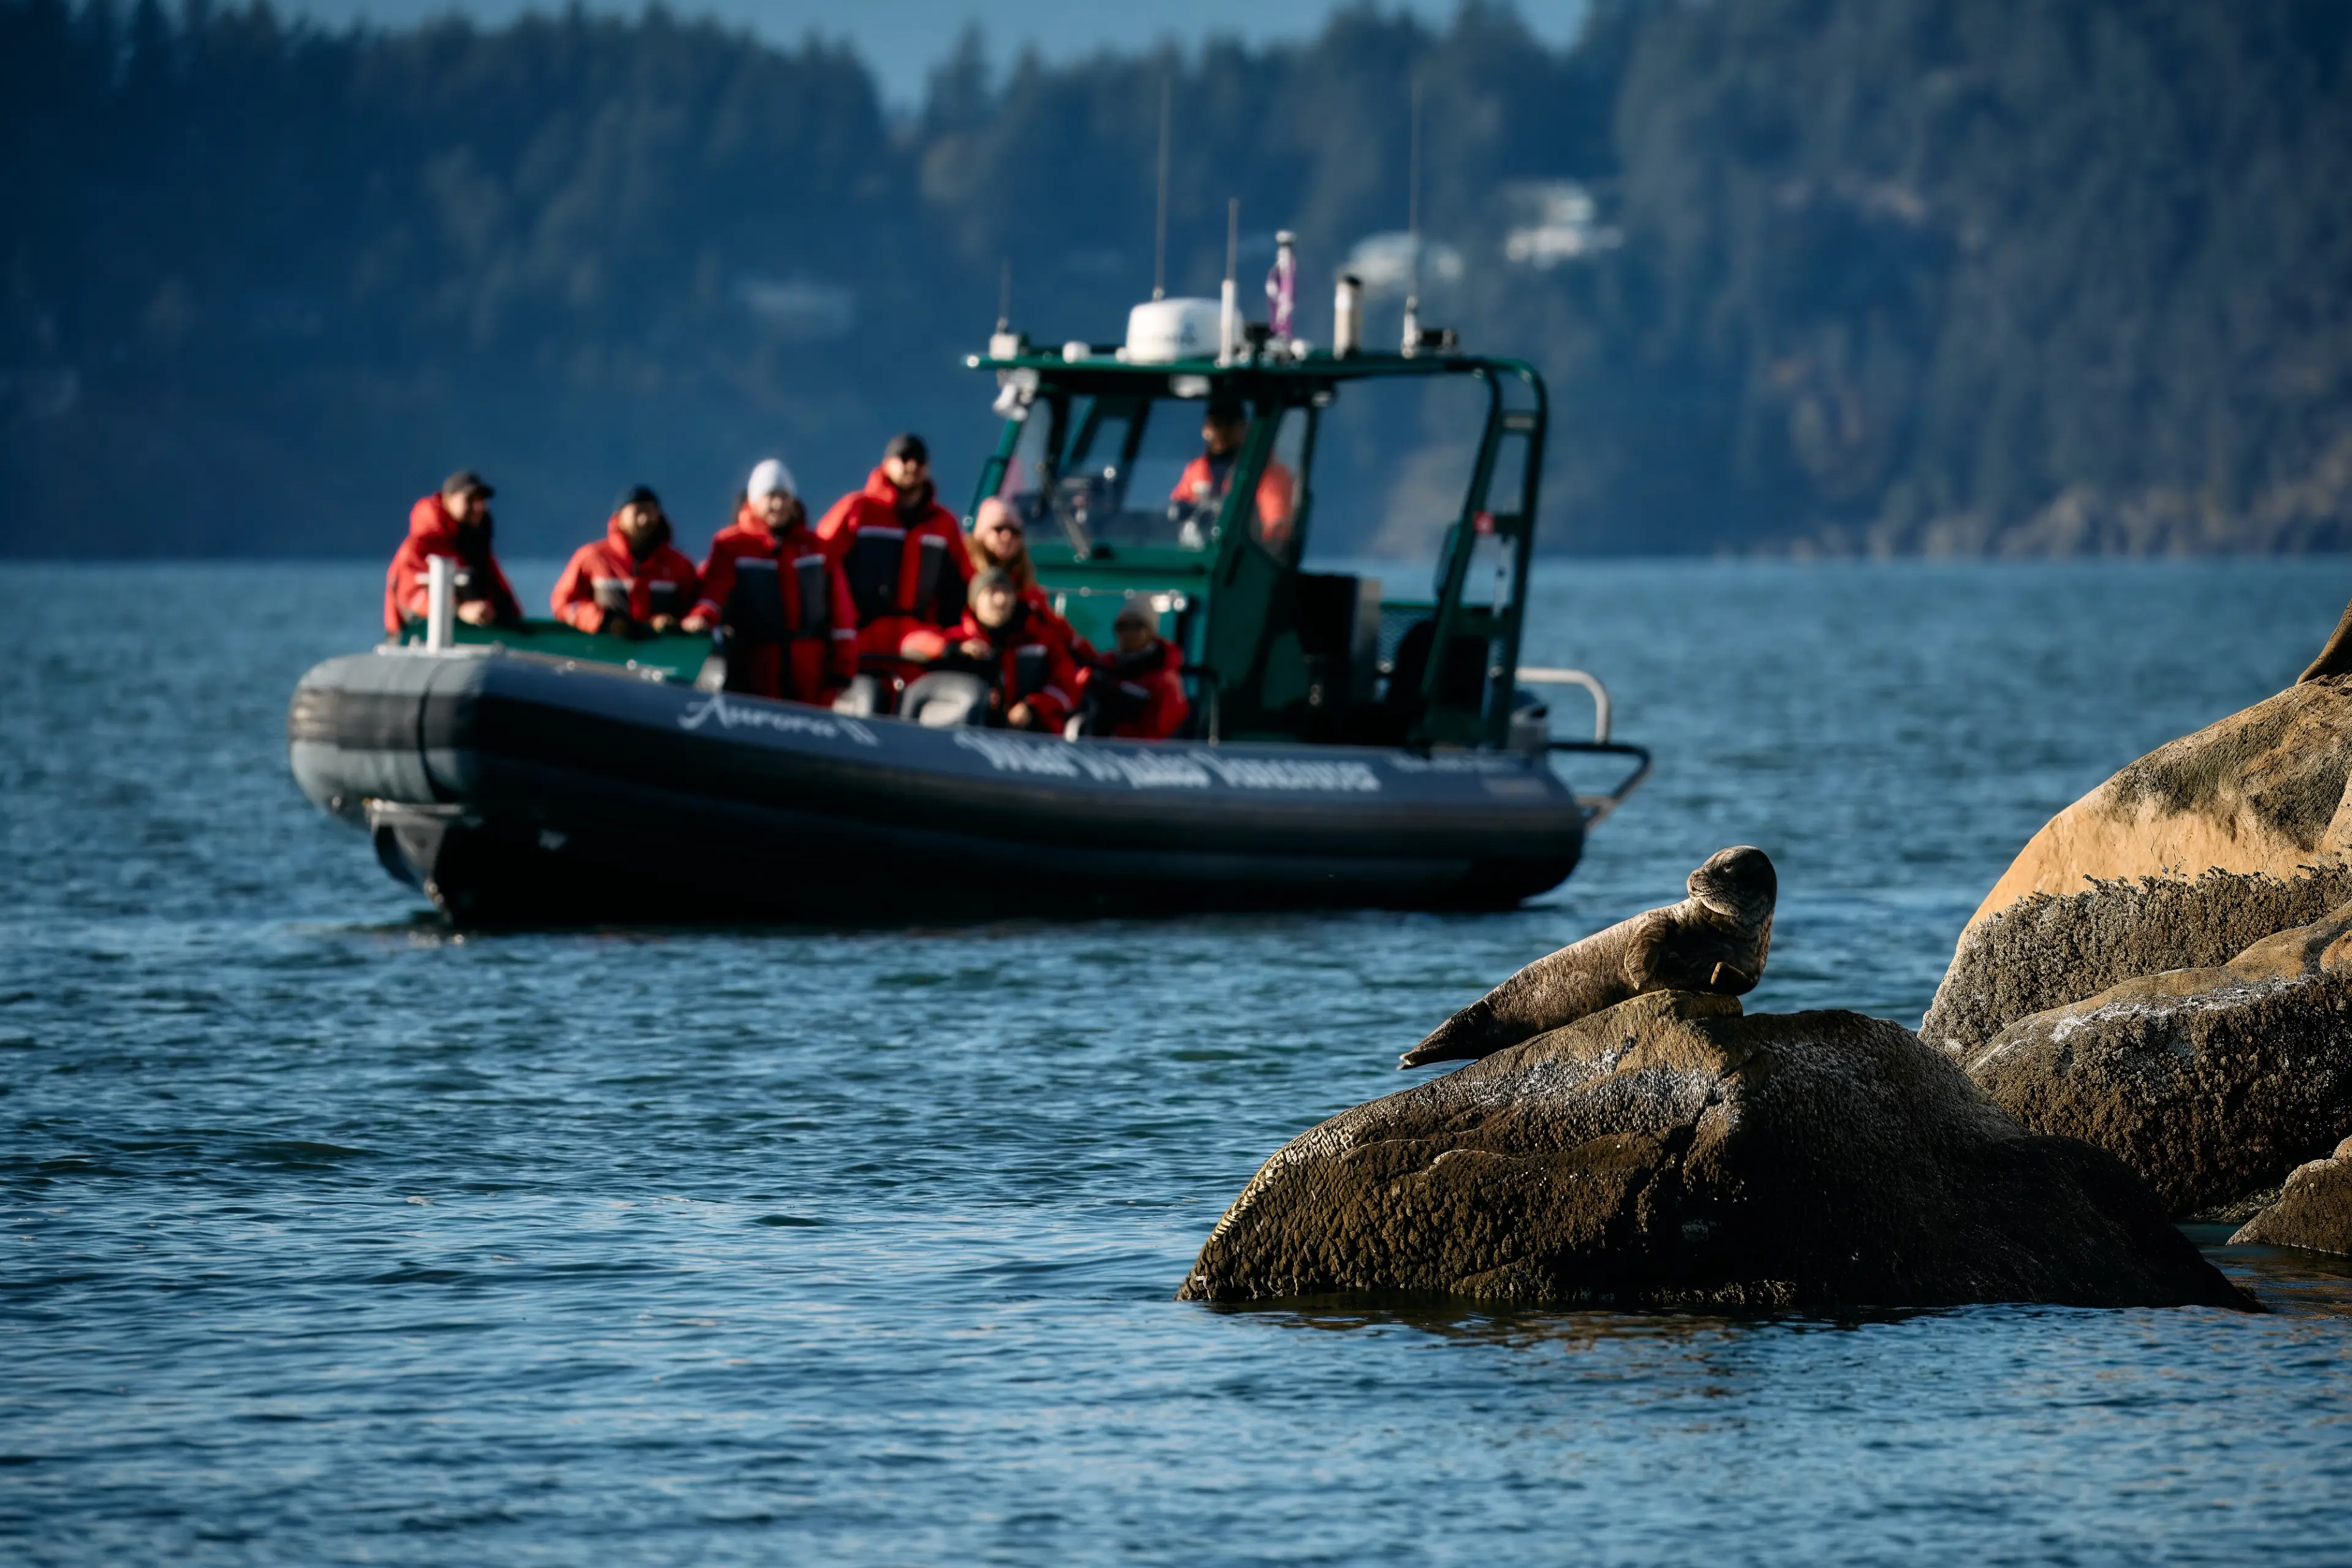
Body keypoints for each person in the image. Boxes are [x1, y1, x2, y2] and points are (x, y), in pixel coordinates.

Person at [693, 459, 858, 704]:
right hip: (754, 667)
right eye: (770, 496)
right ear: (754, 500)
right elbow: (714, 593)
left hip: (810, 670)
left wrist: (843, 670)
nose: (778, 504)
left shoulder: (817, 549)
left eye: (784, 496)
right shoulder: (731, 546)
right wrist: (701, 618)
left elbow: (842, 614)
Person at [816, 433, 971, 676]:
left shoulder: (943, 524)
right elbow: (818, 565)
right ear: (887, 464)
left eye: (919, 461)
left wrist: (957, 638)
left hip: (919, 639)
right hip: (859, 635)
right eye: (905, 458)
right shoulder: (857, 510)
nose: (912, 466)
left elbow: (965, 586)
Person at [902, 568, 1082, 733]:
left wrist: (1032, 707)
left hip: (1031, 738)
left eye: (1007, 592)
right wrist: (953, 650)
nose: (1001, 600)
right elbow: (911, 644)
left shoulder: (1040, 641)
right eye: (992, 592)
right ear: (974, 602)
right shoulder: (959, 639)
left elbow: (1066, 686)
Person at [383, 469, 522, 636]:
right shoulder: (422, 544)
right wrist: (460, 611)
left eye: (481, 501)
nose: (478, 507)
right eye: (470, 500)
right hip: (413, 639)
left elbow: (500, 592)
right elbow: (411, 596)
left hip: (470, 640)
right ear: (448, 499)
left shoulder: (474, 545)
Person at [552, 485, 702, 636]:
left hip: (662, 653)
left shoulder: (680, 565)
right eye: (637, 512)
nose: (644, 519)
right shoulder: (593, 557)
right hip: (604, 651)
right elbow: (564, 603)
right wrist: (603, 621)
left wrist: (675, 623)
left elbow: (695, 609)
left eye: (650, 512)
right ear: (620, 517)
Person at [1170, 399, 1295, 549]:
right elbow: (1179, 503)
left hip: (1239, 556)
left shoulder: (1265, 472)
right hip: (1196, 555)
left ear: (1241, 428)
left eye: (1221, 424)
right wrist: (1182, 508)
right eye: (1211, 424)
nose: (1212, 433)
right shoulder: (1197, 468)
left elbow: (1276, 524)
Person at [1081, 595, 1188, 741]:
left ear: (1151, 632)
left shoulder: (1165, 681)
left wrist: (1117, 733)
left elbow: (1159, 732)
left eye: (1137, 626)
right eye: (1122, 627)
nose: (1128, 633)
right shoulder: (1101, 667)